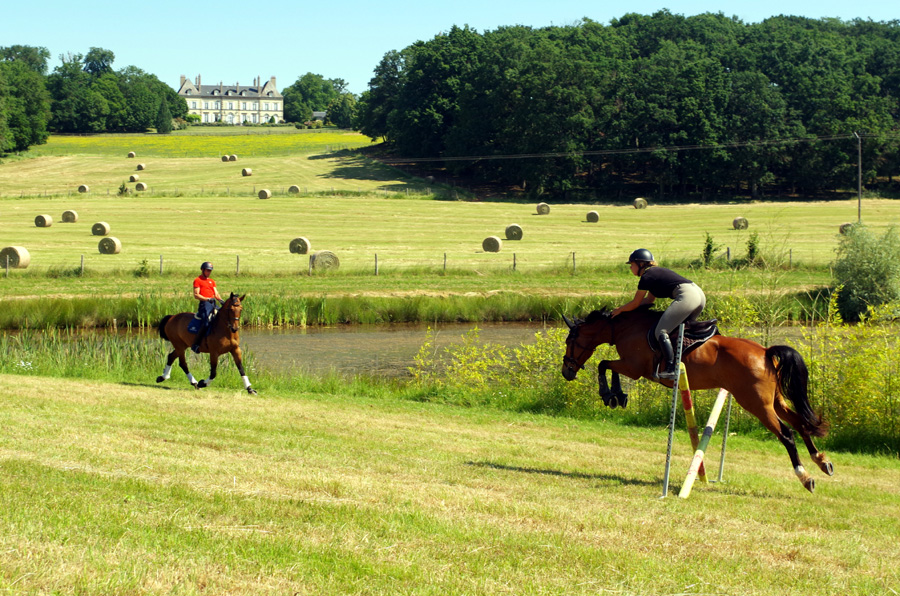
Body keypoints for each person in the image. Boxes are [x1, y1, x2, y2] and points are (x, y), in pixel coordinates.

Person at [611, 249, 706, 380]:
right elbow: (649, 300)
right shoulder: (654, 274)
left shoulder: (647, 277)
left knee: (661, 331)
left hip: (687, 296)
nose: (631, 268)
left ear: (640, 264)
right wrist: (626, 308)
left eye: (631, 264)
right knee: (676, 331)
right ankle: (687, 361)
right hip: (698, 295)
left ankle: (671, 368)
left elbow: (635, 302)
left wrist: (620, 309)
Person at [191, 261, 224, 353]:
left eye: (210, 271)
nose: (209, 272)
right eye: (207, 270)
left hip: (212, 303)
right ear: (202, 270)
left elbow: (216, 293)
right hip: (204, 304)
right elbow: (196, 295)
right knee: (206, 323)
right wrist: (206, 299)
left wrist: (221, 300)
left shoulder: (211, 281)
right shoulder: (197, 280)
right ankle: (196, 344)